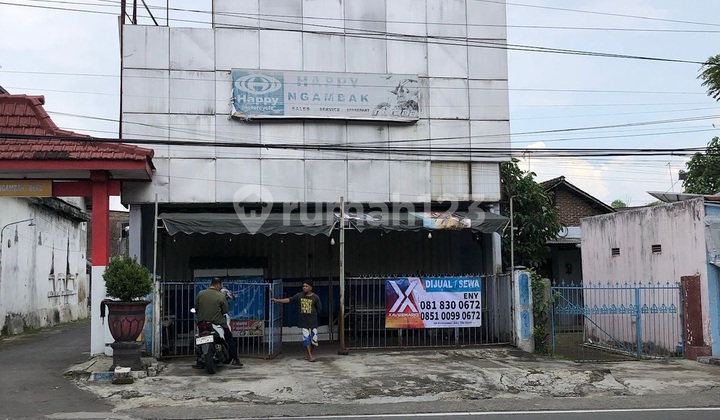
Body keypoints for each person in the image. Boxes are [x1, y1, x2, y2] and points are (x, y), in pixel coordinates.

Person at [195, 277, 242, 367]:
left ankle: (198, 362)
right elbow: (224, 311)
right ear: (218, 285)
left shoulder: (200, 293)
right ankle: (235, 359)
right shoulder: (220, 296)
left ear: (211, 284)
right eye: (220, 286)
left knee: (199, 340)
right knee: (229, 339)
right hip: (217, 323)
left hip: (202, 323)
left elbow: (196, 308)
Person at [272, 280, 322, 362]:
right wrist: (277, 300)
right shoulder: (299, 295)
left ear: (310, 288)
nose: (304, 288)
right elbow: (289, 300)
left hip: (313, 322)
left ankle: (309, 354)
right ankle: (310, 356)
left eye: (306, 286)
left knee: (314, 340)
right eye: (303, 286)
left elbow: (319, 309)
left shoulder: (315, 297)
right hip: (303, 322)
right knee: (306, 339)